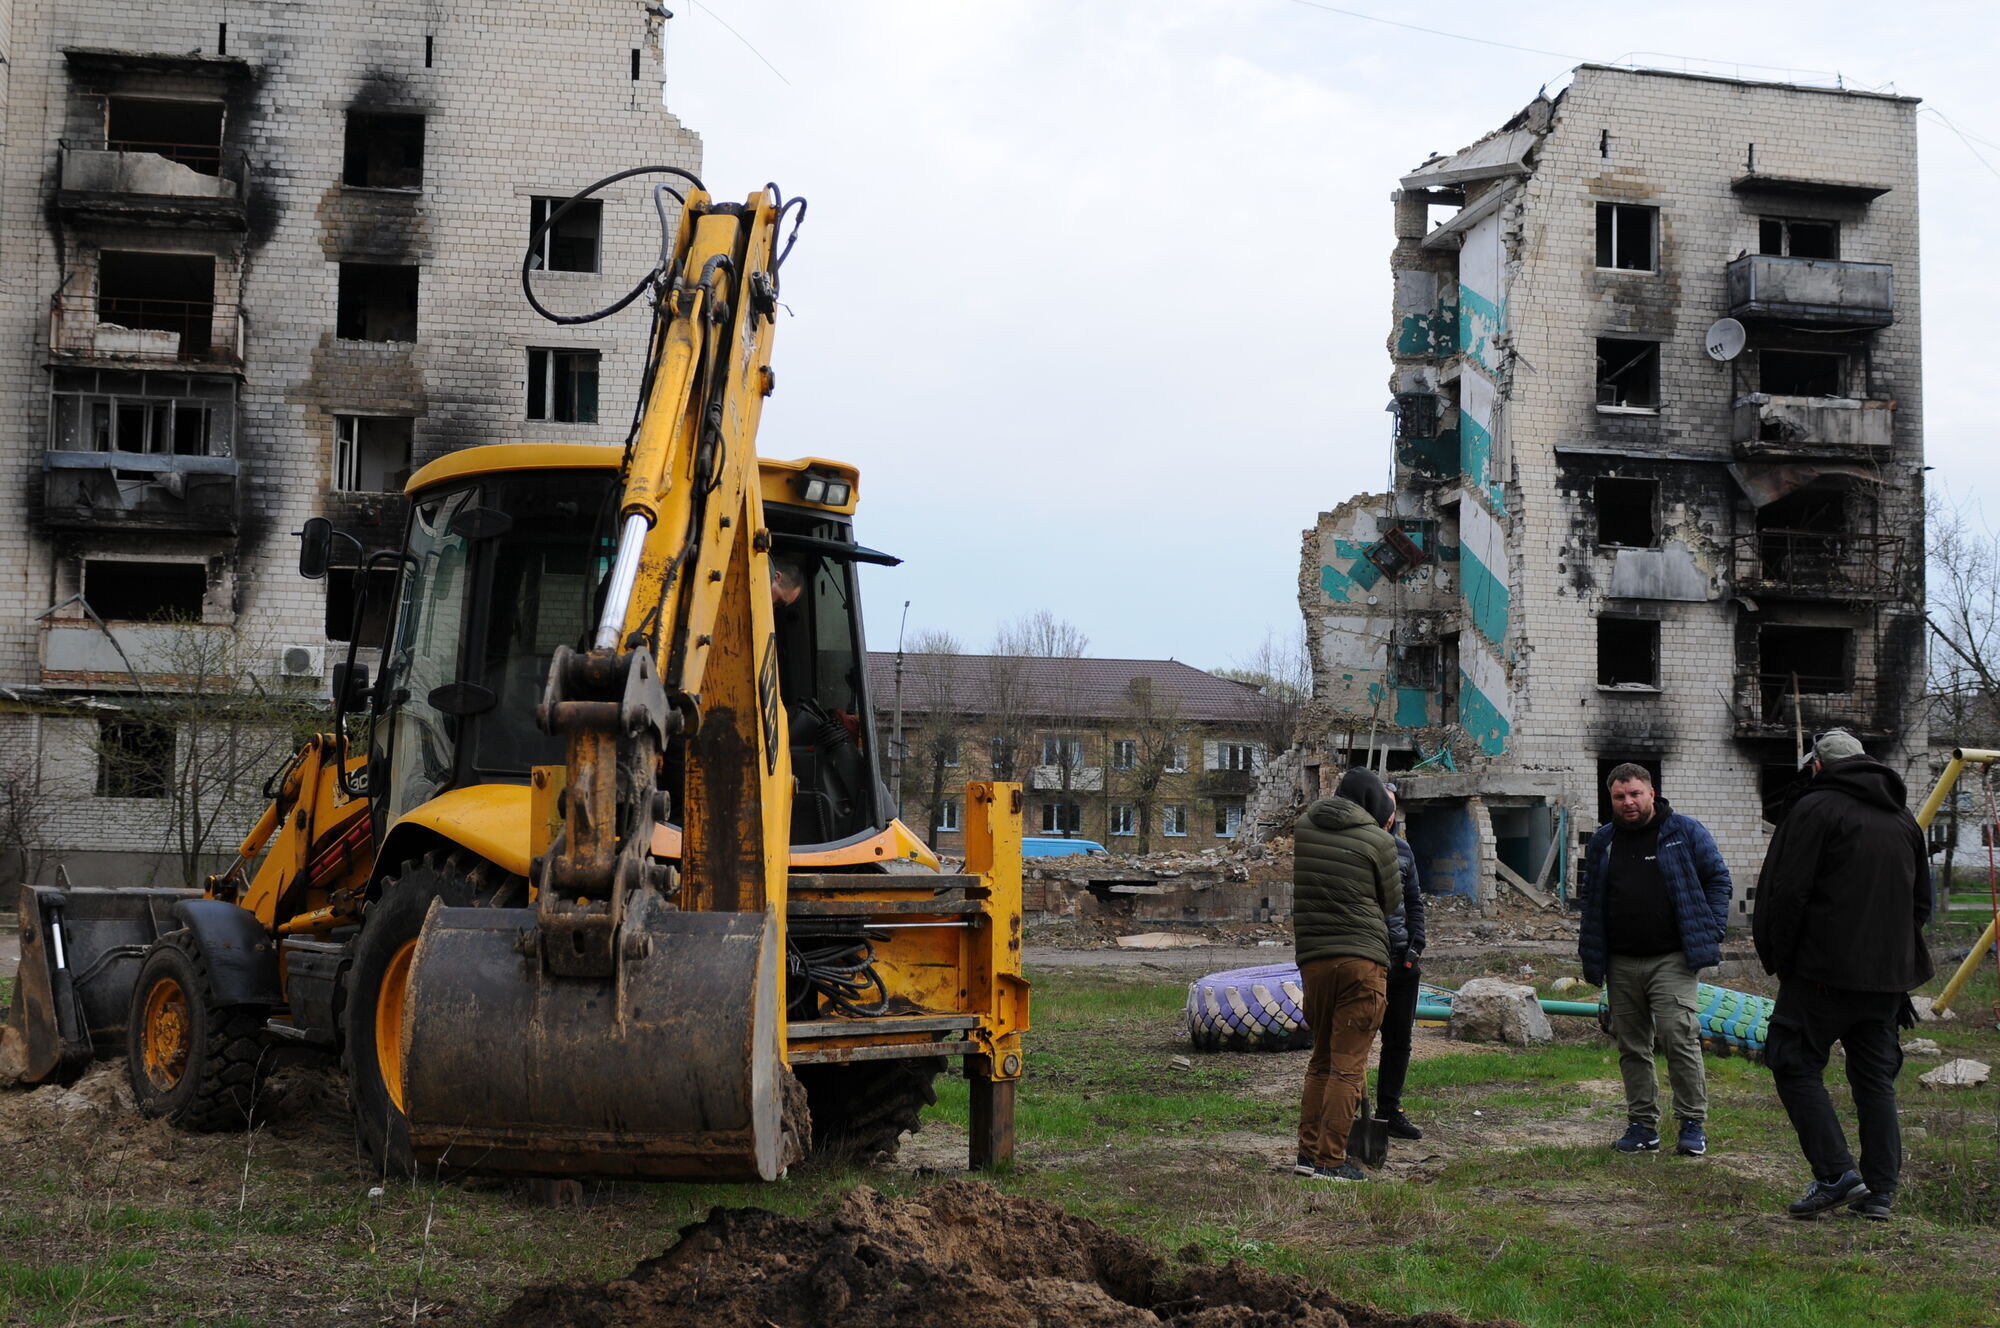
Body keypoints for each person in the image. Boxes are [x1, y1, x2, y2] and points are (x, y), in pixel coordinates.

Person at [1753, 729, 1933, 1221]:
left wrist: (1782, 958)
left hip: (1821, 974)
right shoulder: (1903, 820)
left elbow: (1787, 894)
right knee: (1875, 1080)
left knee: (1792, 1061)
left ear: (1816, 766)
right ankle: (1880, 1192)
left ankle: (1835, 1174)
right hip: (1886, 981)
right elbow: (1921, 905)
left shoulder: (1815, 809)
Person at [1578, 763, 1732, 1158]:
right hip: (1622, 960)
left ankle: (1692, 1124)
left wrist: (1710, 929)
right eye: (1619, 796)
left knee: (1678, 1036)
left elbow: (1718, 879)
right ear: (1611, 799)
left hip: (1672, 958)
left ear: (1651, 792)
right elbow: (1592, 897)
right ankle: (1642, 1126)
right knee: (1632, 1045)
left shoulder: (1685, 831)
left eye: (1634, 794)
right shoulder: (1603, 841)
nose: (1628, 803)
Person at [1292, 766, 1401, 1182]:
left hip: (1314, 961)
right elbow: (1390, 900)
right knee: (1347, 1067)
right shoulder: (1379, 840)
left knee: (1320, 1061)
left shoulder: (1305, 828)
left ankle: (1306, 1154)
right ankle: (1331, 1160)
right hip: (1362, 962)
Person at [1372, 785, 1427, 1141]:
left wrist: (1415, 946)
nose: (1389, 815)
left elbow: (1414, 903)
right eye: (1383, 807)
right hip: (1369, 960)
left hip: (1402, 961)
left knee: (1398, 1041)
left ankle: (1389, 1111)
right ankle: (1349, 1112)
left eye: (1393, 809)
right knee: (1357, 1041)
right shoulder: (1356, 849)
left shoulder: (1403, 850)